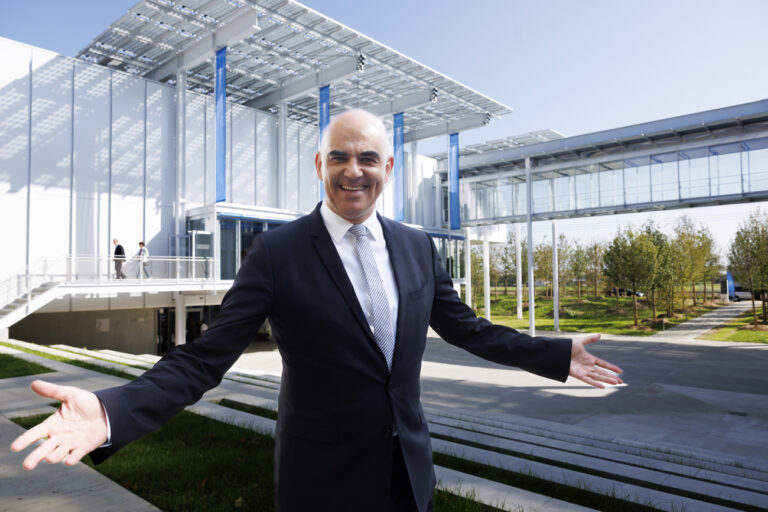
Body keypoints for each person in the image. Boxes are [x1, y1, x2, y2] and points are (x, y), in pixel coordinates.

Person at [10, 110, 622, 512]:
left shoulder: (416, 246)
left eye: (366, 159)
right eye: (338, 157)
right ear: (319, 166)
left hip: (407, 477)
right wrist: (112, 410)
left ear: (388, 168)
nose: (352, 171)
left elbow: (466, 328)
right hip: (318, 486)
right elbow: (205, 357)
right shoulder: (276, 253)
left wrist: (556, 354)